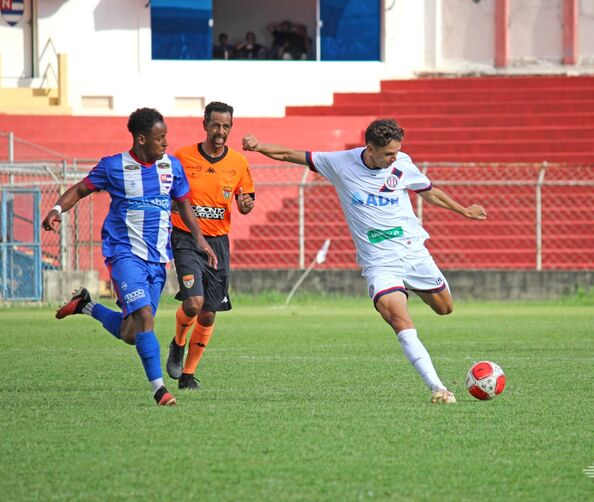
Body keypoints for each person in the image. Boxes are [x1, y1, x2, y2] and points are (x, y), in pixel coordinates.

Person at [242, 119, 487, 404]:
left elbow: (429, 192)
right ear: (369, 148)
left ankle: (408, 286)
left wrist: (464, 210)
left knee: (445, 308)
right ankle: (438, 388)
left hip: (412, 252)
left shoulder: (403, 164)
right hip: (379, 262)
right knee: (399, 319)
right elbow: (290, 155)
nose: (394, 158)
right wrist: (258, 147)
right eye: (388, 154)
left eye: (397, 152)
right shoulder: (340, 164)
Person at [42, 107, 218, 406]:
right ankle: (160, 390)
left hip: (157, 260)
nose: (165, 143)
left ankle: (87, 306)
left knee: (131, 332)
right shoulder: (114, 166)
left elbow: (184, 203)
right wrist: (57, 210)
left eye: (166, 137)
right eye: (159, 138)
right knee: (145, 318)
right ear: (140, 139)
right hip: (124, 255)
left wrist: (200, 240)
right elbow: (81, 189)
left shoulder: (171, 167)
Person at [166, 101, 255, 390]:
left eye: (226, 126)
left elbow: (246, 203)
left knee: (209, 311)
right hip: (187, 239)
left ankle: (188, 375)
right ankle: (178, 344)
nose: (220, 131)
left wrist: (245, 204)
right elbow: (168, 195)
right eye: (215, 124)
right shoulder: (182, 158)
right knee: (193, 303)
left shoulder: (239, 163)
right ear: (204, 124)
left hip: (218, 242)